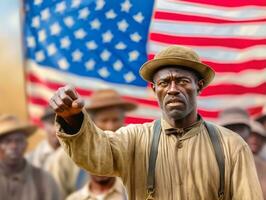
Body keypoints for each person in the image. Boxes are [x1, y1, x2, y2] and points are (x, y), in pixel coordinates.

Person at [50, 45, 263, 199]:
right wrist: (73, 119)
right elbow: (96, 156)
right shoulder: (134, 139)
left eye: (182, 81)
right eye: (164, 82)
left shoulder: (232, 146)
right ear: (154, 90)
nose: (172, 89)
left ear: (198, 86)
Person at [50, 89, 135, 199]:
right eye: (104, 120)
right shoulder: (65, 155)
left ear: (123, 120)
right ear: (92, 122)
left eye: (115, 120)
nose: (110, 126)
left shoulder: (135, 147)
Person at [0, 114, 61, 200]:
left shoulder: (45, 180)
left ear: (26, 144)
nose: (13, 146)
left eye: (19, 140)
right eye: (7, 141)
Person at [218, 108, 266, 199]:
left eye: (240, 128)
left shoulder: (262, 167)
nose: (234, 133)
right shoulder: (209, 163)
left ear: (249, 133)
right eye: (228, 128)